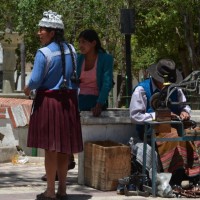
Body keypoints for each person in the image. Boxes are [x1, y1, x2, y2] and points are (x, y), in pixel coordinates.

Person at [24, 10, 83, 200]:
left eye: (42, 29)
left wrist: (27, 88)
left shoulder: (43, 53)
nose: (39, 32)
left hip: (49, 103)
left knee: (50, 149)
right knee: (64, 147)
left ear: (52, 32)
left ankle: (50, 191)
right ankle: (63, 190)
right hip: (69, 103)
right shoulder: (72, 50)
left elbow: (34, 81)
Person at [129, 58, 200, 185]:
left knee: (195, 133)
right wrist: (158, 116)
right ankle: (176, 176)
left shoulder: (175, 89)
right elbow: (135, 116)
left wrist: (184, 112)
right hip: (152, 131)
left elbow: (184, 105)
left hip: (175, 125)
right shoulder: (142, 90)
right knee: (173, 135)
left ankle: (194, 174)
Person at [77, 29, 114, 116]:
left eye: (84, 42)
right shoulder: (78, 59)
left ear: (93, 43)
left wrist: (99, 105)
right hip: (78, 99)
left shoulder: (106, 59)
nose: (80, 45)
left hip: (96, 100)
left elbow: (107, 83)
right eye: (79, 42)